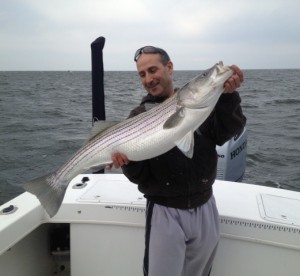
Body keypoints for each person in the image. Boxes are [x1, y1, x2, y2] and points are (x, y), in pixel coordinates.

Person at [108, 46, 246, 276]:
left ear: (169, 67)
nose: (148, 79)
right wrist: (128, 162)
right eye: (142, 74)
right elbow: (140, 176)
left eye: (153, 70)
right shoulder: (138, 117)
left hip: (205, 207)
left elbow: (226, 132)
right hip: (164, 212)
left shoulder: (204, 104)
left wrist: (229, 97)